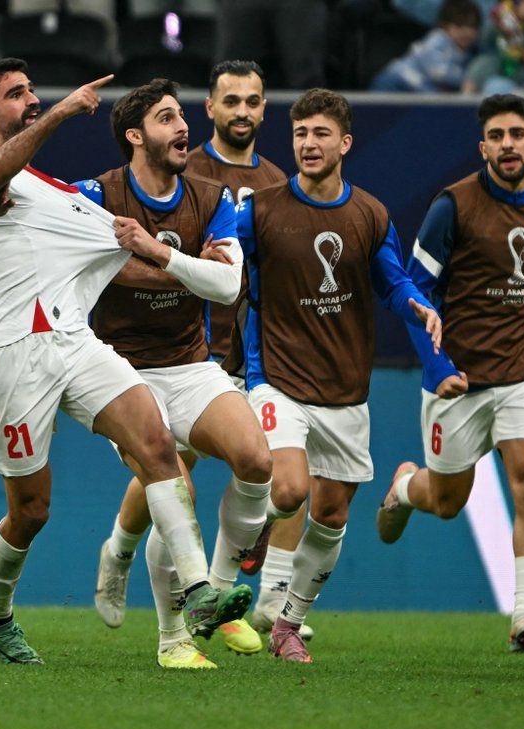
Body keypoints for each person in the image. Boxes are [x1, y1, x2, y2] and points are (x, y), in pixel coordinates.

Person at [0, 58, 252, 666]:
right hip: (11, 355)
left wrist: (182, 266)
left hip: (75, 341)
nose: (31, 100)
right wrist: (65, 111)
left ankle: (198, 593)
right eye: (15, 94)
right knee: (30, 511)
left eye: (34, 91)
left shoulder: (54, 191)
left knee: (157, 445)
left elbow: (127, 255)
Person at [62, 77, 272, 668]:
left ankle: (215, 591)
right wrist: (186, 267)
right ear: (135, 136)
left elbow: (226, 286)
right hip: (120, 374)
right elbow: (101, 270)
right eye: (166, 118)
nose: (183, 128)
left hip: (191, 365)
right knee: (177, 487)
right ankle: (172, 639)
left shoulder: (212, 197)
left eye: (182, 116)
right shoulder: (96, 195)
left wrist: (155, 252)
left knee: (257, 461)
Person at [235, 88, 443, 662]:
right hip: (276, 376)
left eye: (321, 133)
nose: (308, 143)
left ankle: (287, 624)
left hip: (346, 389)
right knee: (290, 489)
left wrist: (418, 306)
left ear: (345, 143)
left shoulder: (370, 214)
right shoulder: (258, 210)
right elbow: (223, 267)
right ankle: (260, 527)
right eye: (300, 133)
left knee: (330, 516)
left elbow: (393, 284)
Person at [376, 93, 524, 654]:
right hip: (459, 378)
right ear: (482, 146)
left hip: (522, 375)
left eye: (518, 133)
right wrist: (439, 366)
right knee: (447, 502)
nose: (508, 144)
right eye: (497, 136)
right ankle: (404, 487)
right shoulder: (454, 206)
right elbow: (414, 295)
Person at [185, 60, 315, 641]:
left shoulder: (278, 183)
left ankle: (250, 603)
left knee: (272, 470)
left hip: (252, 355)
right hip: (186, 350)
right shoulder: (187, 169)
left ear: (265, 109)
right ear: (210, 107)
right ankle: (120, 549)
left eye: (253, 101)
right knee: (172, 476)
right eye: (231, 100)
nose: (242, 111)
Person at [371, 0, 481, 93]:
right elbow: (438, 72)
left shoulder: (471, 51)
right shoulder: (437, 41)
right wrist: (467, 80)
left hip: (418, 89)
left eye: (472, 27)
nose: (466, 32)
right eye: (459, 25)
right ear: (445, 26)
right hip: (396, 81)